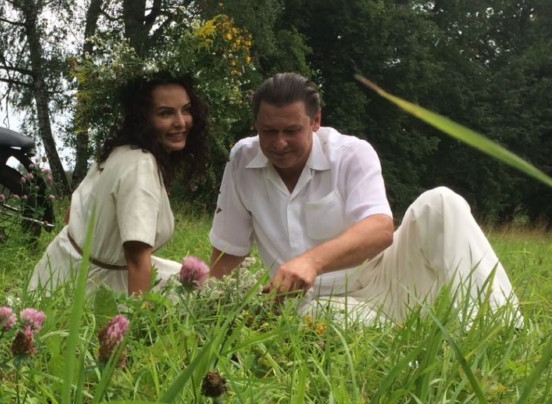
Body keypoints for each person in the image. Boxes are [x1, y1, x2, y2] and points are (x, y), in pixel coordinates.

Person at [209, 72, 524, 326]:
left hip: (388, 278)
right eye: (269, 131)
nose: (279, 143)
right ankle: (408, 334)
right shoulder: (242, 161)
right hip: (315, 304)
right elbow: (227, 252)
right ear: (256, 125)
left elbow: (379, 229)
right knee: (315, 317)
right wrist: (212, 311)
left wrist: (311, 261)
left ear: (316, 121)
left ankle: (501, 329)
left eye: (292, 130)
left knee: (441, 202)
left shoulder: (350, 154)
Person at [30, 73, 208, 296]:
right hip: (90, 288)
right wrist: (139, 322)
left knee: (202, 282)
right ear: (144, 119)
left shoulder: (120, 150)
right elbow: (136, 259)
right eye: (166, 113)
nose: (181, 122)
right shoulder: (141, 166)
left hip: (57, 268)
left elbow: (70, 218)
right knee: (202, 296)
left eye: (186, 110)